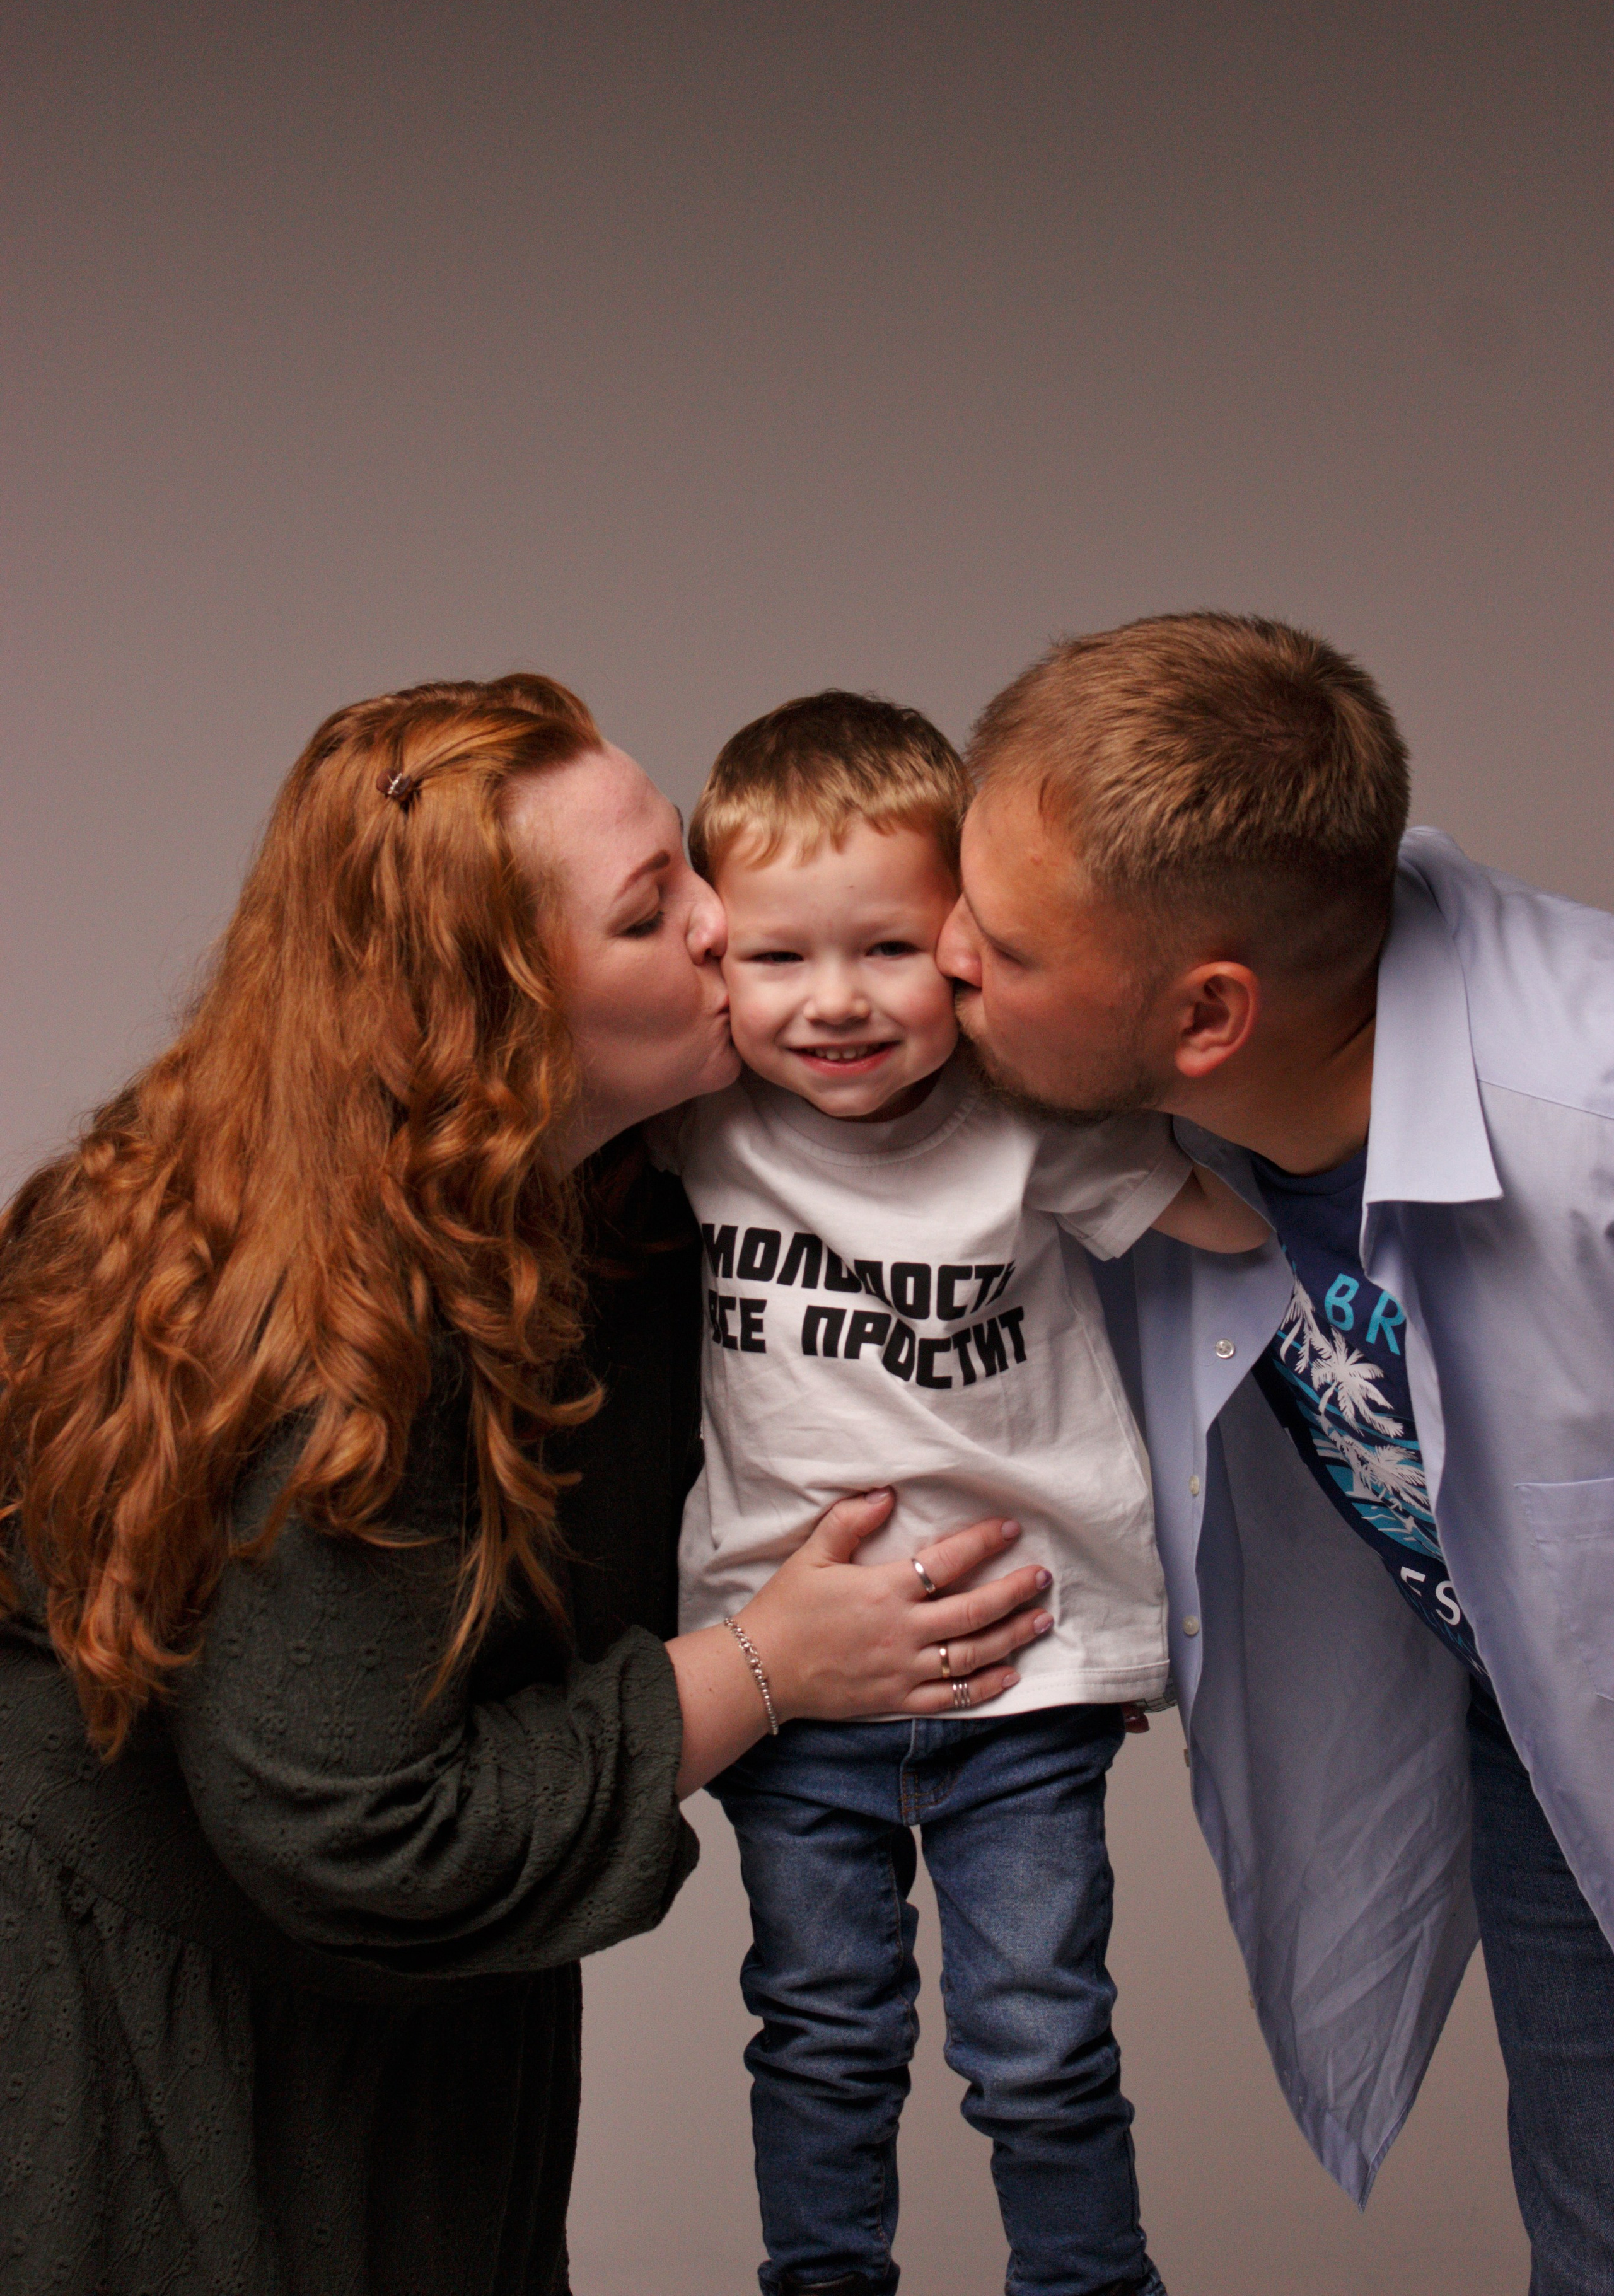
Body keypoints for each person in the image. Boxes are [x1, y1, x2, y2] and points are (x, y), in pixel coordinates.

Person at [0, 673, 1053, 2296]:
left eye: (684, 861)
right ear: (490, 1021)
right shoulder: (328, 1326)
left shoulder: (625, 1199)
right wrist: (768, 1665)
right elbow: (360, 1827)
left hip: (405, 2033)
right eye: (647, 913)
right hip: (154, 2051)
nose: (721, 921)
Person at [939, 612, 1614, 2295]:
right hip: (1546, 1736)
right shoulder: (1143, 1110)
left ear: (1207, 1014)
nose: (941, 955)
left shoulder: (1589, 1117)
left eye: (1001, 946)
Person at [650, 692, 1265, 2296]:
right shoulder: (696, 1127)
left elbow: (1236, 1222)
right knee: (821, 2036)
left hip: (1025, 1674)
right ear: (714, 958)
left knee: (1040, 2044)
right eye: (778, 956)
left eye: (888, 949)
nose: (835, 1002)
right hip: (784, 1684)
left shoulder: (1027, 1128)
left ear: (967, 950)